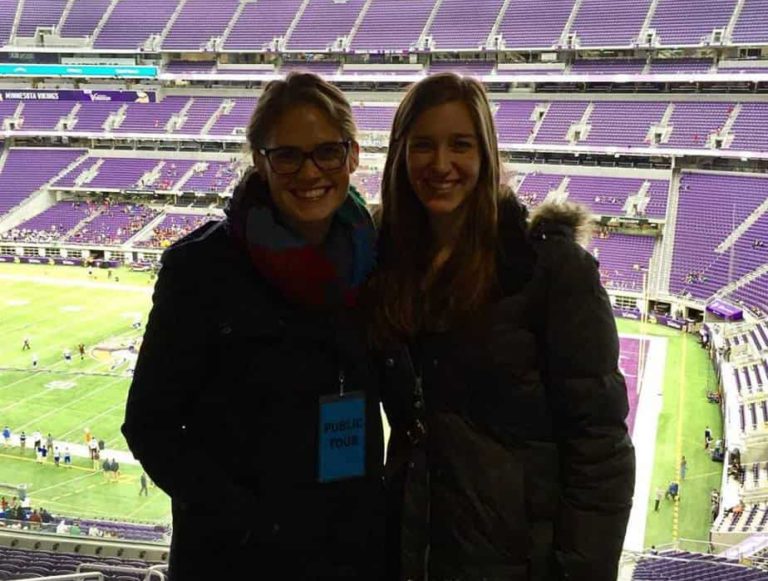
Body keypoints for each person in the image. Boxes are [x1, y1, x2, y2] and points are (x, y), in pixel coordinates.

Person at [366, 73, 635, 581]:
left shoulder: (553, 272)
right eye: (423, 145)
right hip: (413, 554)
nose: (440, 164)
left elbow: (599, 451)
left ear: (486, 154)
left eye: (460, 145)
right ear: (400, 154)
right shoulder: (388, 266)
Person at [122, 72, 384, 581]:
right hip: (238, 559)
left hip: (348, 548)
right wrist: (249, 522)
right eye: (287, 155)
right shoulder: (202, 268)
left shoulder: (372, 257)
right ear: (260, 162)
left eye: (327, 151)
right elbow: (150, 425)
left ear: (352, 156)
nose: (309, 171)